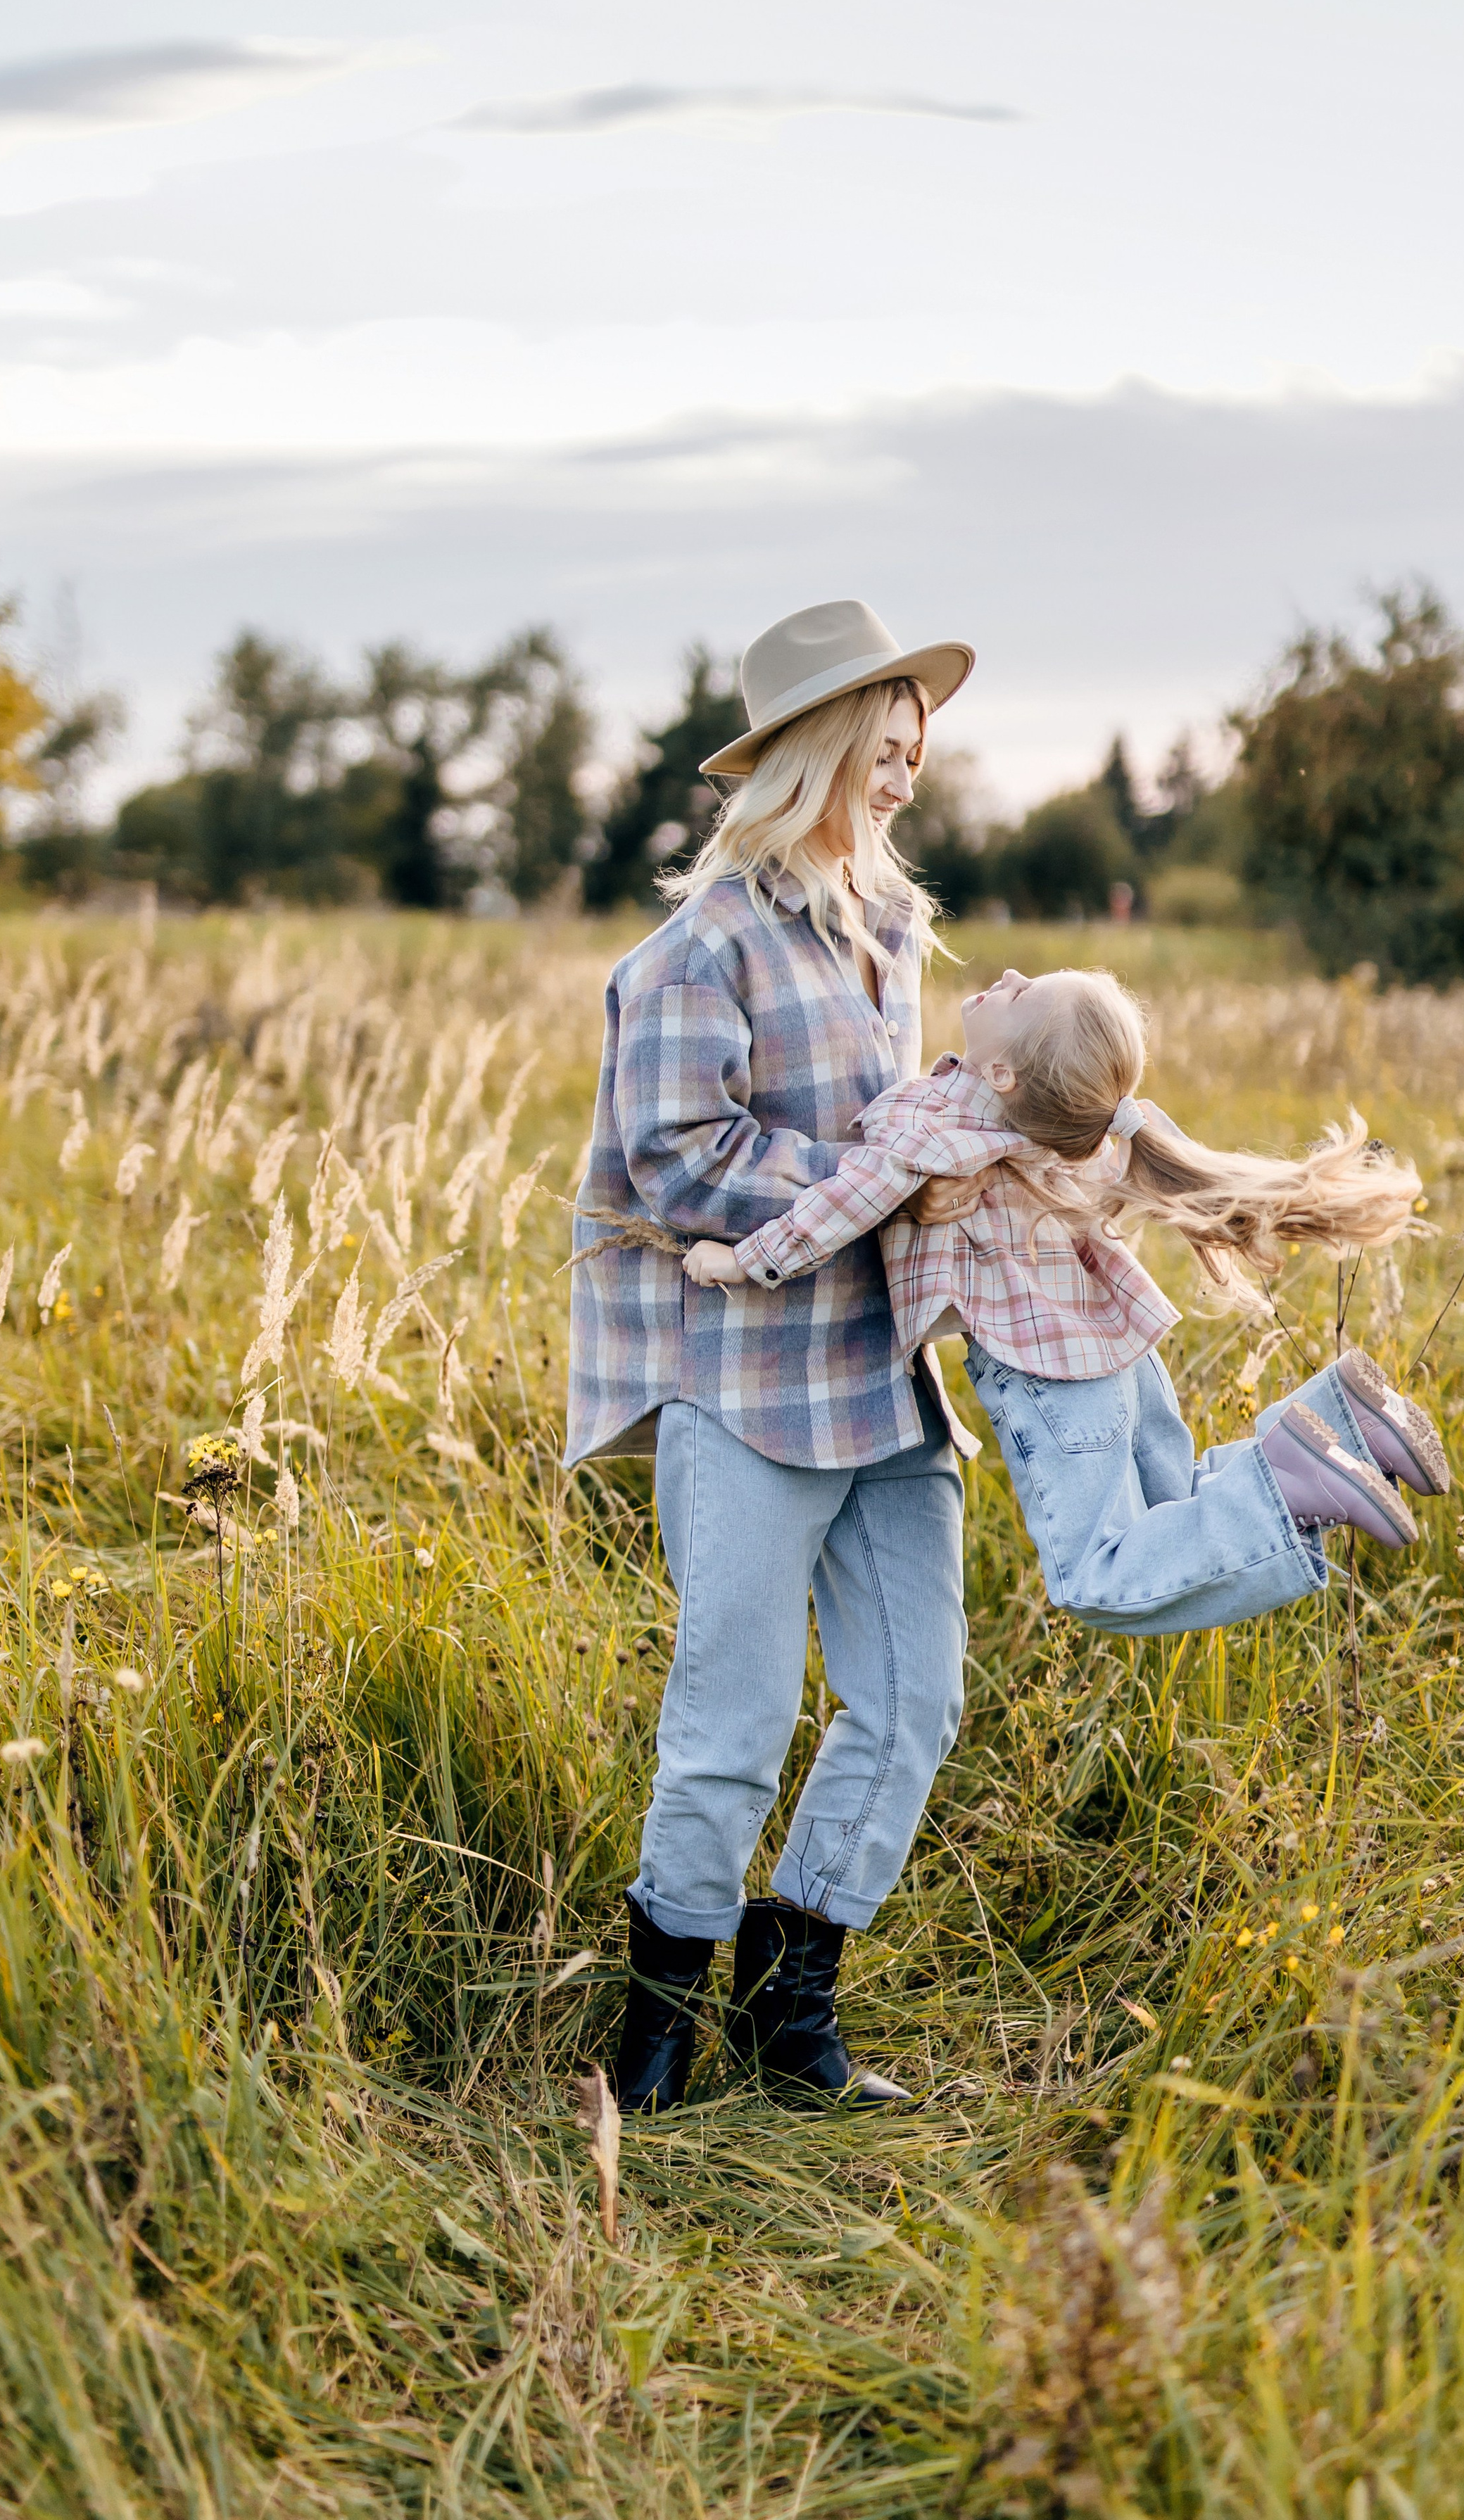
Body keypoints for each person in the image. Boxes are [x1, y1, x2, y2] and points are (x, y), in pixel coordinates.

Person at [564, 599, 979, 2117]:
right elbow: (675, 1160)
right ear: (812, 750)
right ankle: (655, 2041)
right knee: (729, 1721)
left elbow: (907, 1138)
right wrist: (875, 1176)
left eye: (915, 749)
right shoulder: (697, 948)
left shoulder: (892, 935)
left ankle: (790, 2011)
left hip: (886, 1378)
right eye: (884, 744)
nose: (906, 770)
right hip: (746, 1384)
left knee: (910, 1702)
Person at [685, 964, 1449, 1641]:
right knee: (1172, 1507)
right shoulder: (1070, 1123)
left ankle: (1286, 1482)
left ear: (1002, 1071)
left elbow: (839, 1205)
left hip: (1047, 1372)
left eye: (1021, 994)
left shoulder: (937, 1128)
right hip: (1116, 1346)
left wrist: (744, 1261)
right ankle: (1345, 1420)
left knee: (1097, 1578)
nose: (1009, 974)